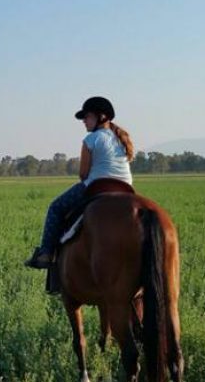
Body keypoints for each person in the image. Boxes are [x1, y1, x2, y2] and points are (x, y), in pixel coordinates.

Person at [24, 96, 134, 268]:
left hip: (98, 187)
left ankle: (46, 253)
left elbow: (83, 174)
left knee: (56, 208)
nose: (83, 120)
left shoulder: (92, 139)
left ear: (101, 116)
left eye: (87, 116)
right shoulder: (121, 138)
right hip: (126, 189)